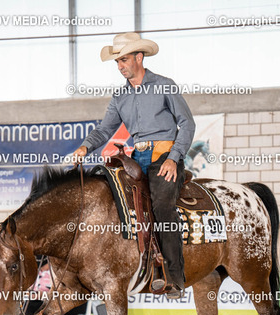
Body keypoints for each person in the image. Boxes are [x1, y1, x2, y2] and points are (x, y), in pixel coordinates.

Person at [72, 32, 195, 299]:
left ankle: (174, 277)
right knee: (112, 199)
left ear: (139, 57)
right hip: (137, 158)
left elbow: (187, 123)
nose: (120, 66)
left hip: (165, 156)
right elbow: (105, 129)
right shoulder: (120, 97)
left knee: (162, 205)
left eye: (124, 60)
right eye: (117, 62)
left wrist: (173, 158)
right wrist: (85, 147)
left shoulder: (164, 85)